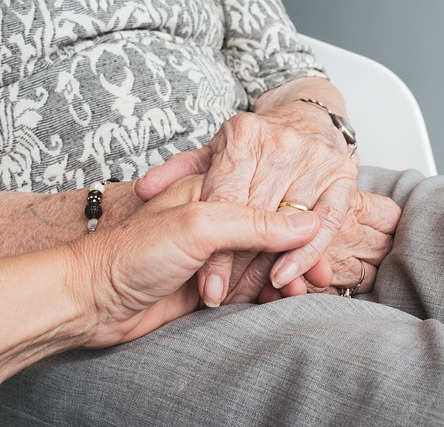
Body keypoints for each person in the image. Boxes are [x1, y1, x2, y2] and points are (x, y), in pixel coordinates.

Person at [1, 0, 443, 425]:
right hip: (64, 280)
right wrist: (122, 219)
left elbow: (287, 70)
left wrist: (300, 138)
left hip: (286, 181)